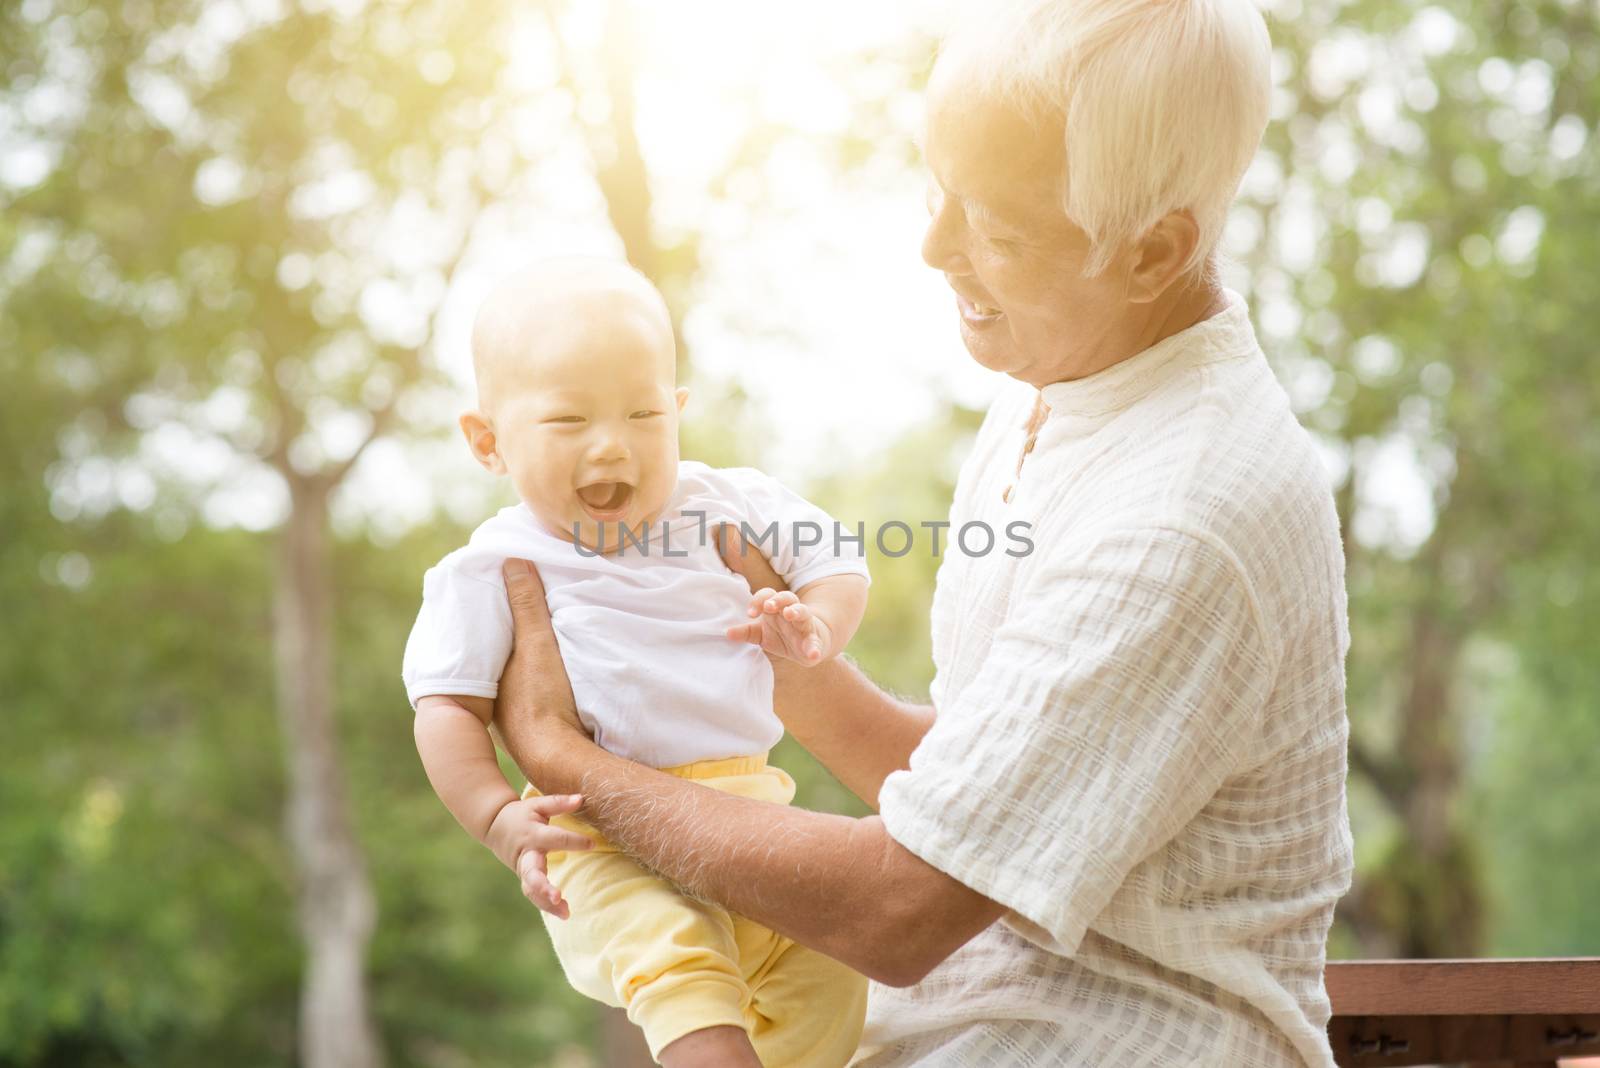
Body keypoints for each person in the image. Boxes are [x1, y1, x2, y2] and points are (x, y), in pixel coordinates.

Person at [492, 0, 1355, 1064]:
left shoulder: (1183, 516)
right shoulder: (1061, 381)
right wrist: (774, 656)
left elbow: (895, 910)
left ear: (1152, 251)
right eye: (938, 192)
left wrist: (565, 761)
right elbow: (979, 787)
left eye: (995, 229)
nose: (933, 246)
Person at [402, 259, 870, 1067]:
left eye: (644, 412)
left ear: (679, 412)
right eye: (569, 420)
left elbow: (836, 560)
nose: (613, 445)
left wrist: (815, 623)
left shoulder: (724, 500)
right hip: (602, 836)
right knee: (678, 963)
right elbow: (445, 708)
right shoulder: (494, 565)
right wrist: (495, 818)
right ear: (488, 441)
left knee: (826, 954)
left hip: (751, 801)